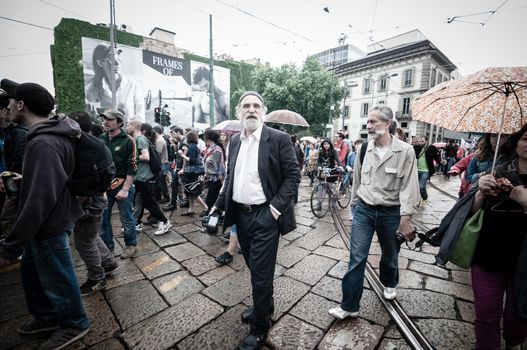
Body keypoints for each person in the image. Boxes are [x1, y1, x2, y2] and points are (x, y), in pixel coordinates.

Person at [0, 79, 90, 349]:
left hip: (49, 221)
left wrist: (11, 246)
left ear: (20, 104)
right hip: (54, 216)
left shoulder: (43, 143)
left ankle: (75, 322)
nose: (7, 105)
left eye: (11, 100)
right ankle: (47, 316)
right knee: (35, 273)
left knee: (58, 276)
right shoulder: (54, 134)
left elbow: (40, 199)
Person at [210, 91, 299, 350]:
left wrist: (274, 210)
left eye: (256, 106)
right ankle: (265, 306)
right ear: (239, 111)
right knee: (254, 267)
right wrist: (217, 205)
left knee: (261, 275)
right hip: (240, 213)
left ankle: (260, 326)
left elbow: (293, 176)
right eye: (246, 106)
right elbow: (231, 177)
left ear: (264, 110)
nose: (251, 110)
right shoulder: (235, 141)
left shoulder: (278, 139)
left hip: (265, 215)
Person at [329, 105, 420, 319]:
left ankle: (389, 282)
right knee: (356, 258)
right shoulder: (363, 149)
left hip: (391, 213)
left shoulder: (405, 151)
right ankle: (349, 306)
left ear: (387, 124)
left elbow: (410, 186)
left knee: (390, 255)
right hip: (364, 211)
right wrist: (354, 206)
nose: (368, 126)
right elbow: (358, 180)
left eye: (373, 122)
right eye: (367, 122)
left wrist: (406, 218)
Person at [468, 124, 527, 349]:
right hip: (489, 255)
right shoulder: (499, 171)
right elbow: (473, 212)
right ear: (516, 142)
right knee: (485, 318)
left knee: (517, 322)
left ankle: (514, 340)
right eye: (525, 139)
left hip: (523, 261)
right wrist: (480, 191)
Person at [68, 111, 119, 296]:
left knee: (83, 240)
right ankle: (108, 262)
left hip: (89, 199)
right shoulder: (95, 144)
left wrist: (76, 205)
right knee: (89, 234)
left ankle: (97, 278)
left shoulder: (85, 147)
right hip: (97, 197)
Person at [99, 110, 138, 259]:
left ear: (120, 122)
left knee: (126, 217)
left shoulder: (128, 140)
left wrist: (126, 189)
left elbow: (133, 166)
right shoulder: (101, 139)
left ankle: (130, 245)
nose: (105, 122)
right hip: (104, 187)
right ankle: (108, 248)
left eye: (110, 119)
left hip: (122, 185)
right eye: (104, 119)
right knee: (103, 218)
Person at [127, 119, 172, 235]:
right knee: (138, 200)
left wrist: (132, 157)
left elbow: (146, 157)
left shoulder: (140, 139)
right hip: (140, 177)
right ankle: (136, 223)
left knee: (149, 202)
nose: (126, 127)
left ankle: (165, 221)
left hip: (145, 177)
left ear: (134, 126)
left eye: (128, 125)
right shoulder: (137, 139)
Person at [85, 44, 144, 122]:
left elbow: (141, 119)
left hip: (127, 133)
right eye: (111, 59)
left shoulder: (133, 86)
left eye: (118, 57)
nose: (117, 63)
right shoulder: (93, 87)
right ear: (100, 63)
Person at [0, 90, 27, 238]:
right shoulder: (7, 131)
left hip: (12, 182)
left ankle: (15, 251)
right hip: (6, 181)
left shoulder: (19, 132)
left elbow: (19, 163)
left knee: (8, 217)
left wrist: (7, 180)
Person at [178, 131, 208, 216]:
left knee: (193, 191)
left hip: (193, 173)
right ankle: (190, 209)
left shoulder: (191, 147)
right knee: (189, 191)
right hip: (194, 172)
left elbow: (192, 160)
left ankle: (205, 208)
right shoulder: (194, 146)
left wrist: (182, 155)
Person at [413, 135, 441, 205]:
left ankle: (425, 198)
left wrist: (441, 162)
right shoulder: (415, 147)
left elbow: (436, 158)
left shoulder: (432, 148)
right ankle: (418, 200)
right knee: (416, 187)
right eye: (419, 141)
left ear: (426, 141)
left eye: (422, 141)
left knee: (421, 186)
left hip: (426, 171)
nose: (420, 143)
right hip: (416, 170)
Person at [203, 129, 225, 216]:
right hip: (211, 178)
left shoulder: (216, 150)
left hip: (216, 179)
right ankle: (215, 216)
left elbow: (219, 165)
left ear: (208, 137)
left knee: (211, 199)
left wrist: (221, 178)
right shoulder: (210, 148)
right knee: (213, 198)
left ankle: (213, 217)